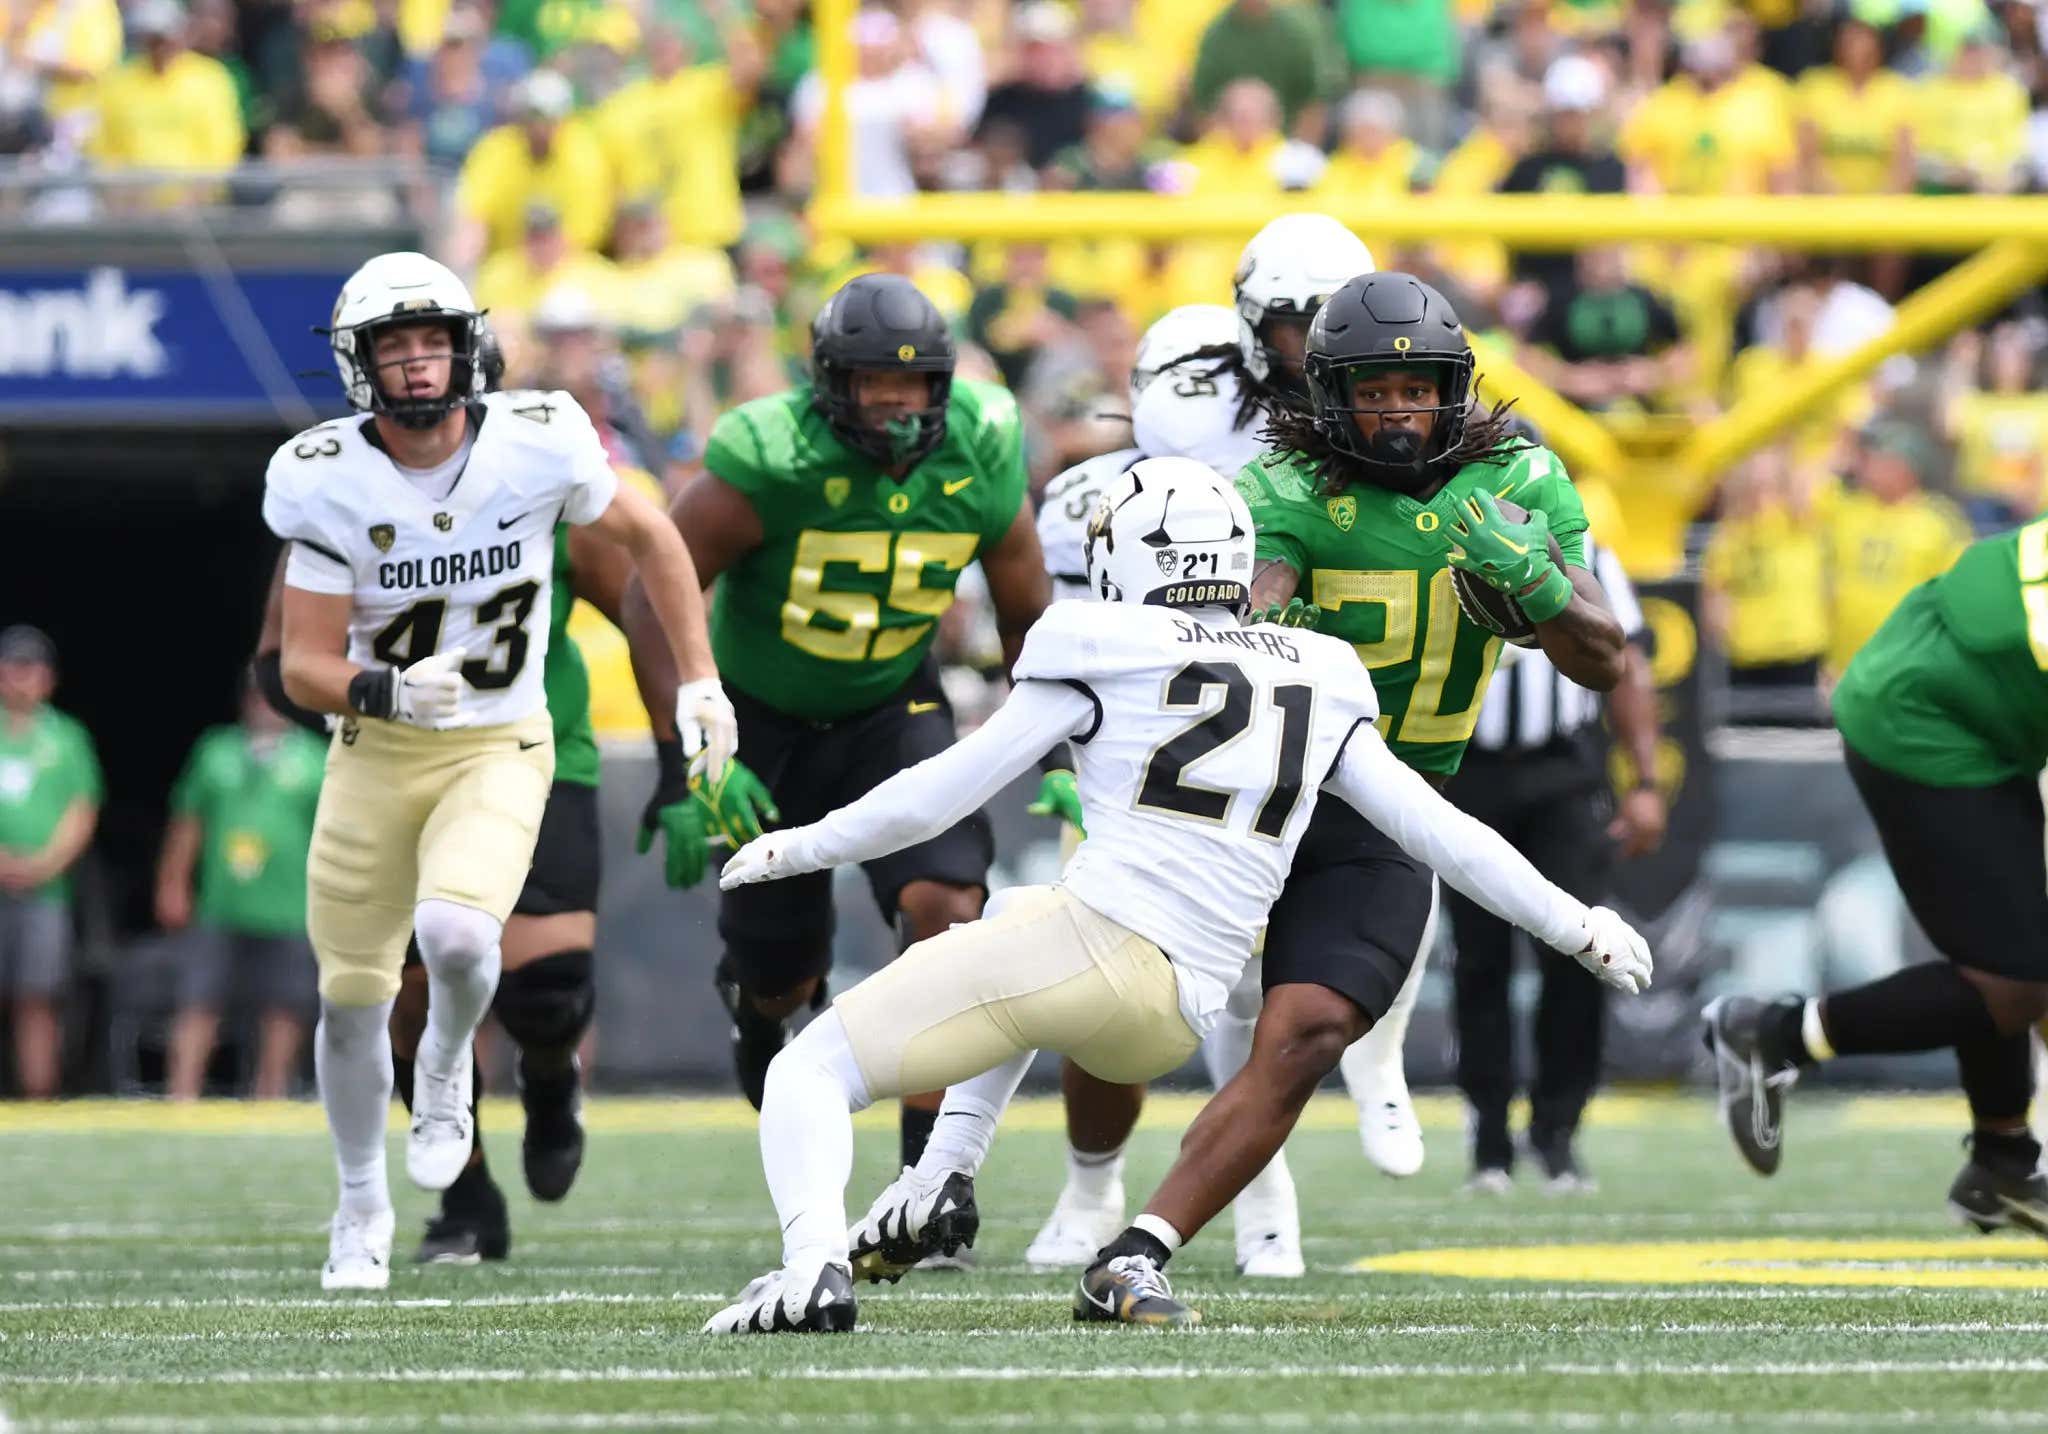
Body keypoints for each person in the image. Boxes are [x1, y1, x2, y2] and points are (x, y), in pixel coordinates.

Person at [697, 457, 1652, 1334]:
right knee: (1007, 917)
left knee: (806, 1074)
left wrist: (804, 845)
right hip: (1178, 1014)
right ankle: (941, 1174)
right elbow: (1444, 835)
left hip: (1097, 948)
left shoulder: (1098, 639)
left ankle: (812, 1271)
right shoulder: (1319, 669)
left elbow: (945, 789)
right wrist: (1577, 924)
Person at [1072, 270, 1628, 1311]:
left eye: (1416, 390)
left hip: (1391, 803)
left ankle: (1139, 1248)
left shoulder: (1520, 482)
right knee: (1118, 1004)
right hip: (1264, 792)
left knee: (1312, 1025)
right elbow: (1243, 608)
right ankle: (975, 1175)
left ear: (1452, 389)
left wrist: (1541, 583)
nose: (1398, 411)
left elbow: (1603, 660)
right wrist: (1266, 629)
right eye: (1374, 391)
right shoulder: (1283, 487)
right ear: (1331, 394)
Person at [262, 251, 735, 1291]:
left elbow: (651, 549)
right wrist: (376, 691)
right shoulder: (322, 477)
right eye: (398, 347)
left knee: (480, 946)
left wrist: (691, 700)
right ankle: (375, 1207)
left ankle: (456, 1075)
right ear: (360, 364)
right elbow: (291, 660)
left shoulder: (537, 446)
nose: (421, 366)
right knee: (354, 996)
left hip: (509, 738)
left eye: (436, 343)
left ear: (469, 350)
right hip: (379, 749)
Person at [628, 273, 1049, 1182]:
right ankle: (761, 1005)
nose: (895, 404)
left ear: (943, 385)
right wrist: (684, 760)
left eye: (913, 384)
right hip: (759, 722)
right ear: (830, 384)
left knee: (946, 911)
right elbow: (650, 590)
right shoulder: (769, 456)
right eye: (871, 384)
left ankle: (926, 1180)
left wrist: (1065, 740)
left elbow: (1026, 606)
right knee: (780, 969)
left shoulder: (981, 446)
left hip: (892, 705)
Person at [1025, 212, 1381, 1280]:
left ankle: (1255, 1179)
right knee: (1112, 968)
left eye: (1333, 318)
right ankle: (1091, 1182)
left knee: (1275, 970)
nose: (1318, 342)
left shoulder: (1377, 406)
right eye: (1297, 320)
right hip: (1167, 708)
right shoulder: (1189, 415)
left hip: (1296, 703)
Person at [1705, 513, 2048, 1236]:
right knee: (2015, 980)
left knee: (2012, 956)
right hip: (1926, 718)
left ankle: (2002, 1161)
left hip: (1960, 692)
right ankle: (1771, 1033)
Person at [1449, 536, 1664, 1193]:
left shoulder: (1588, 552)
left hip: (1562, 775)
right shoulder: (1441, 544)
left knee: (1581, 951)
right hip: (1468, 769)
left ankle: (1558, 1132)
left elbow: (1626, 663)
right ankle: (1489, 1138)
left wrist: (1647, 779)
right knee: (1479, 959)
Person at [155, 672, 325, 1100]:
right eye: (257, 694)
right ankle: (182, 1097)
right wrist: (173, 883)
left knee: (285, 1005)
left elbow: (333, 834)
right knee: (198, 999)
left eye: (274, 696)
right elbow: (187, 823)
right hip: (220, 903)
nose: (265, 703)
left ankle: (270, 1094)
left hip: (290, 905)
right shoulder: (215, 750)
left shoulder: (316, 757)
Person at [0, 624, 99, 1099]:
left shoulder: (68, 738)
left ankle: (38, 1097)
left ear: (49, 678)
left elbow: (82, 810)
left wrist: (43, 864)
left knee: (37, 997)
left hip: (45, 891)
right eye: (13, 667)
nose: (22, 677)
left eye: (32, 668)